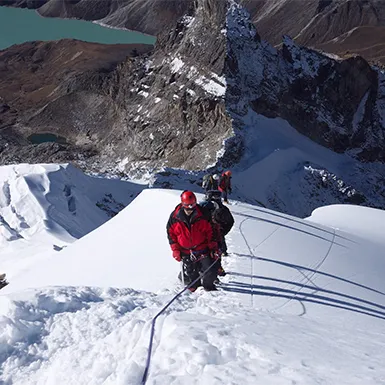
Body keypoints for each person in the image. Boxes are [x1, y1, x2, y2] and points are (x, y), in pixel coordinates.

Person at [166, 190, 220, 291]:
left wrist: (213, 247)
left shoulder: (204, 215)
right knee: (192, 280)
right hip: (185, 251)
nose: (190, 209)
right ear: (183, 205)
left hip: (202, 249)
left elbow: (211, 232)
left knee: (211, 271)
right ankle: (192, 288)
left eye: (193, 206)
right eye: (188, 207)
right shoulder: (175, 217)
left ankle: (209, 290)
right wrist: (175, 250)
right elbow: (171, 234)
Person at [200, 190, 234, 278]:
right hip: (215, 236)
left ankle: (207, 272)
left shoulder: (201, 207)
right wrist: (222, 232)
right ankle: (216, 271)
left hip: (205, 236)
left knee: (206, 254)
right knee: (216, 253)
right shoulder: (222, 209)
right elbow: (230, 221)